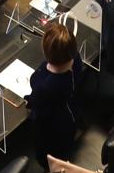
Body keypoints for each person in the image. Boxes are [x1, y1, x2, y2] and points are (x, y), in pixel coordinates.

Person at [27, 19, 83, 162]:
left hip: (52, 134)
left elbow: (35, 107)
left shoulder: (44, 86)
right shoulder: (76, 59)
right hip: (70, 118)